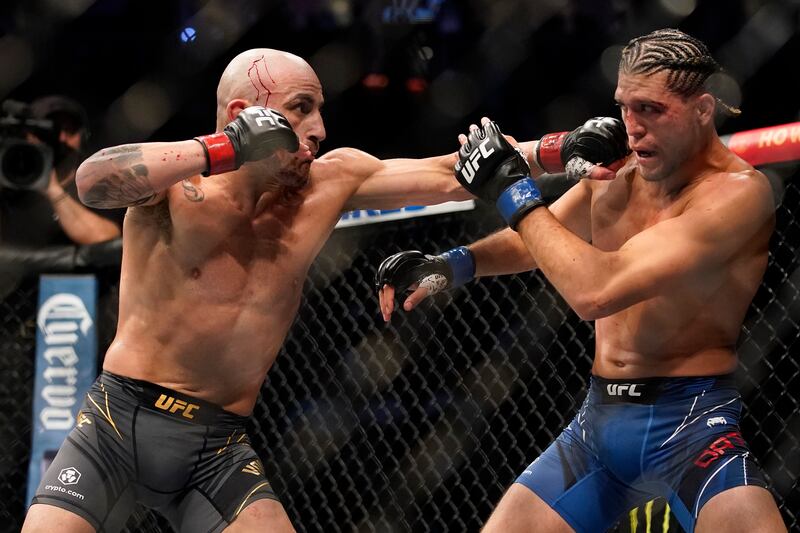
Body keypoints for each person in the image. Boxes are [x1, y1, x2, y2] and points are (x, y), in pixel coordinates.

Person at [22, 48, 599, 533]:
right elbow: (95, 181)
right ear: (246, 115)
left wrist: (563, 146)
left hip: (216, 447)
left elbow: (456, 170)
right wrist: (221, 148)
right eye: (301, 109)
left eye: (320, 109)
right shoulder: (178, 187)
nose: (319, 130)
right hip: (118, 422)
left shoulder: (330, 181)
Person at [375, 29, 787, 532]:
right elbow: (539, 239)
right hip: (597, 425)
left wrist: (510, 189)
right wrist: (451, 264)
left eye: (651, 109)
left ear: (703, 110)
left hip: (692, 427)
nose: (631, 128)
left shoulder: (738, 195)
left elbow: (596, 290)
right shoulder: (624, 173)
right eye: (624, 107)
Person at [0, 95, 121, 246]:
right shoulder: (9, 176)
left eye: (69, 130)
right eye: (50, 131)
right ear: (29, 136)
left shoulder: (99, 184)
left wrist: (51, 188)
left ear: (83, 137)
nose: (61, 138)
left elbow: (108, 241)